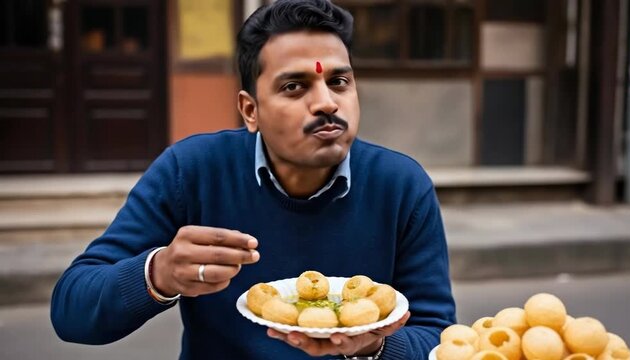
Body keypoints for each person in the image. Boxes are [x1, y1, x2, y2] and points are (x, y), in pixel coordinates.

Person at [50, 0, 456, 358]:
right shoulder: (192, 171)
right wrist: (159, 273)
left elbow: (439, 338)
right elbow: (72, 311)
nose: (327, 102)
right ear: (250, 111)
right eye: (295, 86)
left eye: (339, 81)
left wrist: (374, 345)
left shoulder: (401, 186)